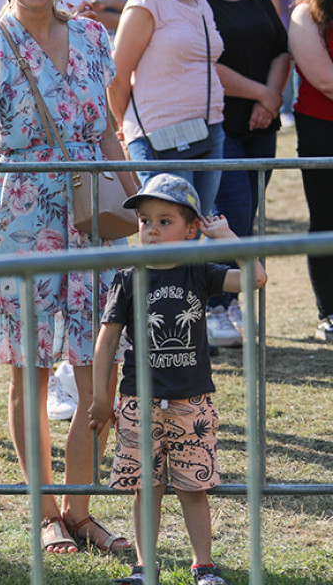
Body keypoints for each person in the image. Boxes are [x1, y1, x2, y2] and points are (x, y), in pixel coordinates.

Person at [0, 0, 137, 555]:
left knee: (100, 373)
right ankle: (45, 512)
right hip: (24, 216)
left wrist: (141, 201)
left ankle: (82, 509)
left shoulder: (93, 34)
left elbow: (111, 131)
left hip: (91, 215)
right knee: (30, 376)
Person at [90, 173, 267, 585]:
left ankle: (203, 566)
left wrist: (224, 237)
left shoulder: (200, 271)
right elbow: (106, 341)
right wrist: (100, 399)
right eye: (144, 220)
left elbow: (256, 278)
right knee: (145, 490)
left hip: (192, 403)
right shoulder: (129, 276)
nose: (151, 229)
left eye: (165, 221)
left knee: (193, 488)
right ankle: (143, 567)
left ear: (191, 230)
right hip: (138, 402)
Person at [189, 0, 289, 347]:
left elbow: (281, 49)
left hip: (262, 126)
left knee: (247, 215)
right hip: (221, 124)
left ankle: (229, 306)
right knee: (232, 211)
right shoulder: (195, 0)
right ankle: (217, 307)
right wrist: (263, 95)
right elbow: (208, 62)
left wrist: (270, 101)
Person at [109, 0, 225, 215]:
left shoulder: (201, 3)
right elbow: (117, 77)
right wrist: (126, 128)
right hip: (159, 137)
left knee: (194, 225)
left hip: (209, 130)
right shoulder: (146, 2)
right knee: (170, 231)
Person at [287, 0, 333, 343]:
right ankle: (329, 312)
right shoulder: (306, 15)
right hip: (323, 131)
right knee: (327, 221)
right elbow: (326, 80)